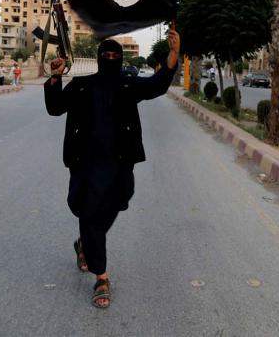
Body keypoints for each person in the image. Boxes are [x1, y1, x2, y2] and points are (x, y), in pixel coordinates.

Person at [44, 30, 180, 309]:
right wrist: (56, 78)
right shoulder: (82, 85)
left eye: (115, 56)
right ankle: (102, 277)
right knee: (91, 213)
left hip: (120, 162)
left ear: (120, 59)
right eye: (105, 55)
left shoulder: (128, 84)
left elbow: (156, 85)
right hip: (86, 164)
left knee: (120, 201)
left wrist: (174, 54)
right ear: (98, 59)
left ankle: (85, 243)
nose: (110, 59)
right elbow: (55, 107)